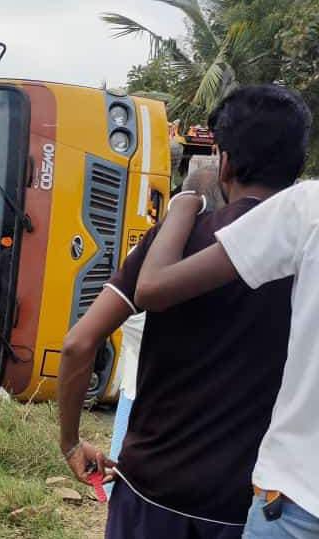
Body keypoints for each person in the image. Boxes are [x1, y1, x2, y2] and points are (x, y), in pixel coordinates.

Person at [57, 84, 306, 539]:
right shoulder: (305, 259)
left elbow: (78, 344)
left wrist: (71, 441)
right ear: (298, 168)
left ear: (224, 162)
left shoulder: (174, 244)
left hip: (151, 489)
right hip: (248, 502)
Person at [134, 100, 317, 536]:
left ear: (226, 162)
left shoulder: (306, 212)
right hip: (235, 497)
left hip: (295, 501)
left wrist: (178, 212)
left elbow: (150, 290)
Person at [102, 166, 220, 498]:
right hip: (183, 402)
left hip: (136, 384)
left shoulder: (144, 254)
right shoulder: (217, 263)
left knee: (126, 474)